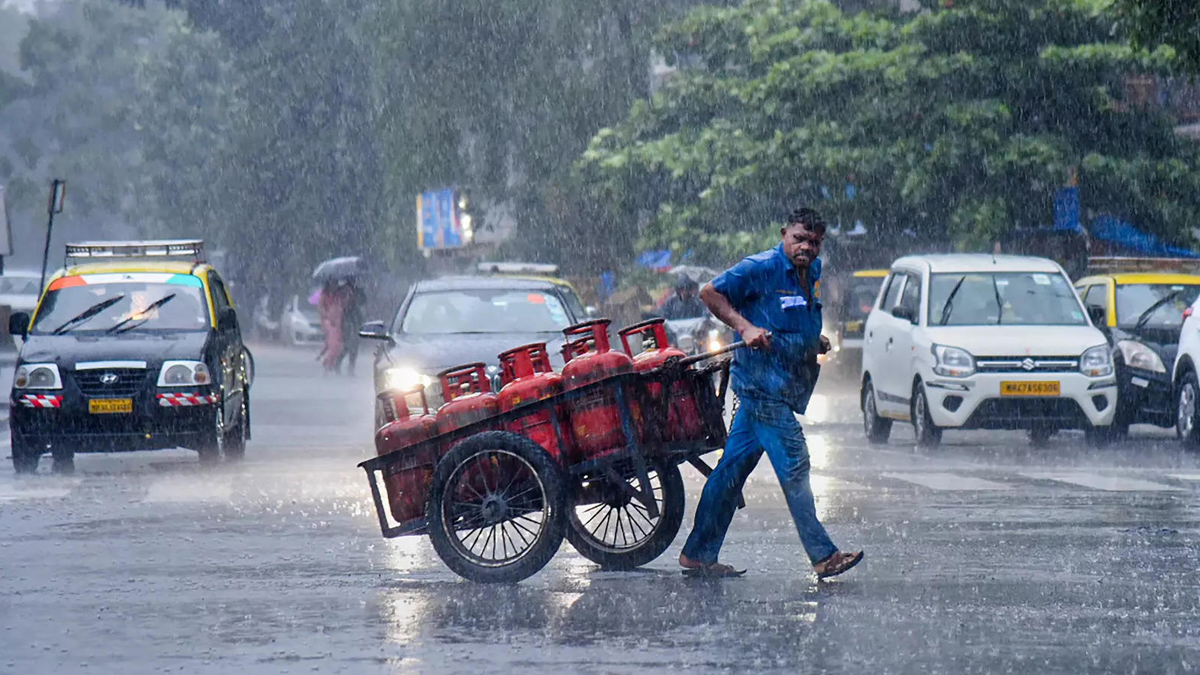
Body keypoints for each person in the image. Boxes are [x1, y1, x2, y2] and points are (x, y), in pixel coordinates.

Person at [679, 207, 864, 579]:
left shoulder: (812, 271)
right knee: (795, 463)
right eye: (799, 238)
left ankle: (698, 553)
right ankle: (823, 555)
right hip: (761, 386)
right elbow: (710, 293)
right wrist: (745, 328)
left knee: (732, 470)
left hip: (783, 382)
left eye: (813, 242)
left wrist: (814, 340)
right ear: (784, 234)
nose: (805, 247)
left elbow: (794, 314)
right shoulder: (759, 267)